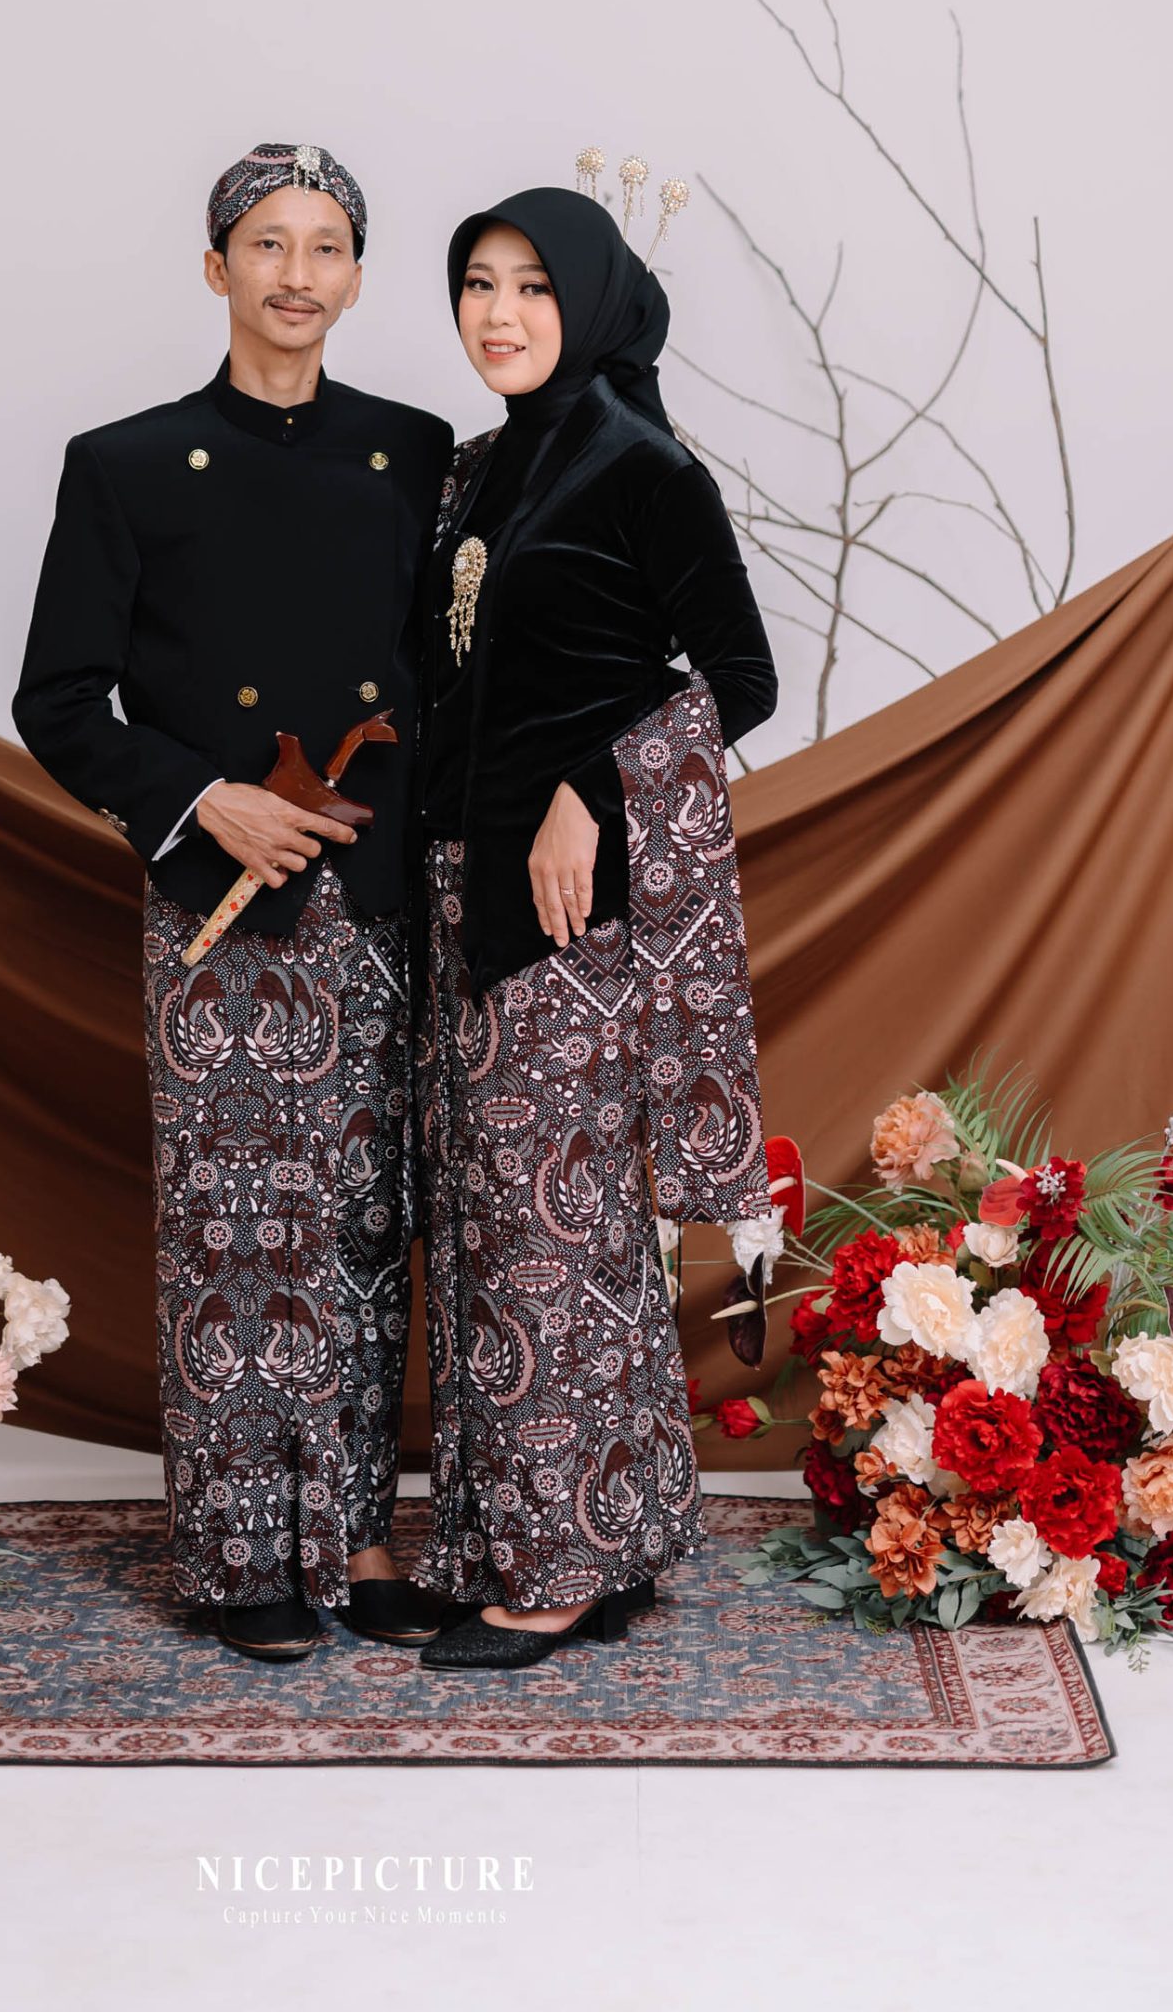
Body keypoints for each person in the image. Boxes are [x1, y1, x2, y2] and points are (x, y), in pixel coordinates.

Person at [12, 142, 452, 1662]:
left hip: (381, 892)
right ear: (217, 267)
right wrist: (205, 798)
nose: (296, 274)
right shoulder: (126, 464)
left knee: (365, 1225)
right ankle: (245, 1554)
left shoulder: (416, 453)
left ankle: (361, 1536)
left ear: (356, 278)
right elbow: (58, 700)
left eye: (326, 247)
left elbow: (447, 676)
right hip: (222, 902)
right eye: (268, 244)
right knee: (235, 1230)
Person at [410, 186, 783, 1670]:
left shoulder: (643, 466)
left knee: (551, 1239)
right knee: (493, 1232)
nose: (499, 313)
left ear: (595, 301)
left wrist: (592, 791)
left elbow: (740, 679)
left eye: (533, 286)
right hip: (459, 890)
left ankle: (559, 1570)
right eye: (477, 284)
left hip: (567, 919)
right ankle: (583, 1540)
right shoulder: (479, 468)